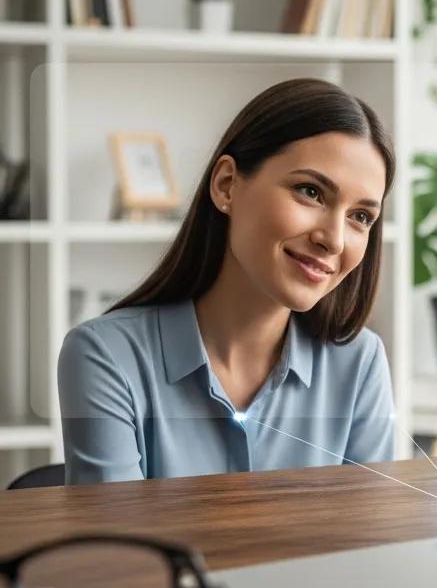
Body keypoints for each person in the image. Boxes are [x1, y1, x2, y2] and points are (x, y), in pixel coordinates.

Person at [58, 78, 397, 483]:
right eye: (310, 191)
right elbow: (120, 546)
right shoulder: (107, 356)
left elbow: (367, 540)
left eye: (360, 217)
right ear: (226, 185)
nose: (334, 239)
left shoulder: (359, 363)